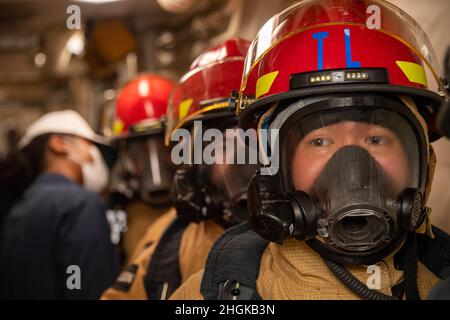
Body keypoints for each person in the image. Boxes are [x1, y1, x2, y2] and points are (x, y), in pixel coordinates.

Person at [170, 0, 450, 300]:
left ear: (421, 158)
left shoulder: (441, 280)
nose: (352, 168)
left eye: (375, 139)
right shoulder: (212, 295)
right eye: (320, 142)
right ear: (277, 167)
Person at [101, 38, 258, 300]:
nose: (238, 162)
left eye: (251, 140)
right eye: (215, 145)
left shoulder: (331, 241)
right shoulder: (167, 244)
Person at [0, 110, 119, 299]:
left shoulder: (19, 209)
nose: (94, 157)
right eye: (89, 145)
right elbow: (85, 288)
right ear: (58, 144)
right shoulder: (80, 205)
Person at [105, 74, 176, 264]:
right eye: (141, 150)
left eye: (165, 146)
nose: (155, 163)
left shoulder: (206, 215)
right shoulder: (117, 215)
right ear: (125, 154)